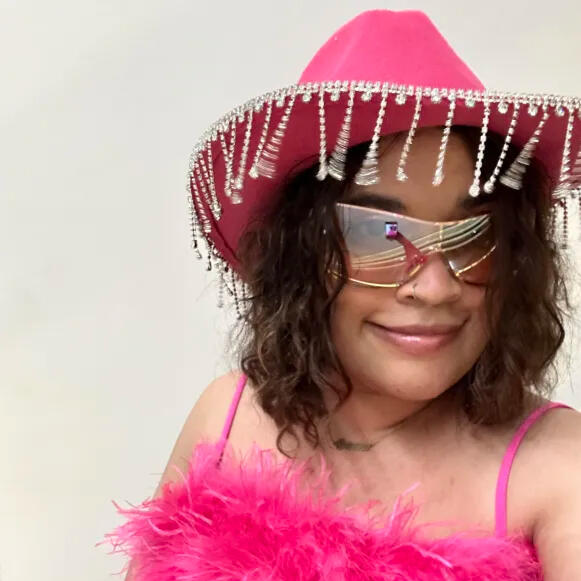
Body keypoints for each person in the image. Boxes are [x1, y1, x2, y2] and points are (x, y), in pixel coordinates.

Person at [101, 9, 581, 580]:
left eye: (472, 237)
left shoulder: (554, 466)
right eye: (379, 234)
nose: (433, 287)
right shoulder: (227, 420)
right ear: (303, 256)